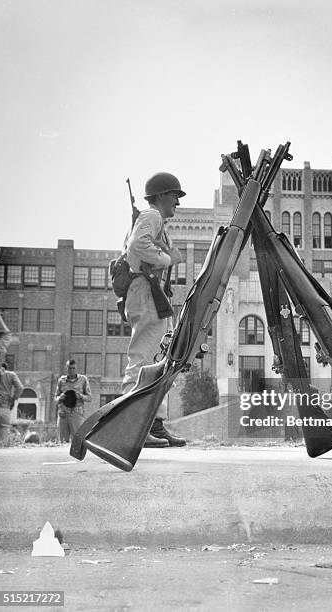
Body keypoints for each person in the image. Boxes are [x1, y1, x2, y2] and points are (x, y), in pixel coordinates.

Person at [122, 172, 186, 448]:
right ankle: (128, 425)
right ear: (160, 195)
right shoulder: (152, 216)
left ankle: (154, 425)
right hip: (146, 291)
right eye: (174, 195)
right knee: (143, 360)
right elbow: (137, 246)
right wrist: (166, 258)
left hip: (152, 293)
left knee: (158, 363)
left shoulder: (154, 220)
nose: (177, 202)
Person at [55, 359, 92, 443]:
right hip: (63, 415)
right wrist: (61, 397)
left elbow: (89, 398)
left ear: (76, 369)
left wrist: (80, 396)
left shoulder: (83, 380)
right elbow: (55, 398)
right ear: (66, 368)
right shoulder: (61, 380)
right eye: (69, 368)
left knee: (78, 441)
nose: (71, 370)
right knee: (63, 442)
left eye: (73, 368)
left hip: (77, 414)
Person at [0, 363, 23, 445]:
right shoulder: (11, 375)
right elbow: (20, 388)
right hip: (4, 409)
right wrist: (13, 399)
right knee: (2, 442)